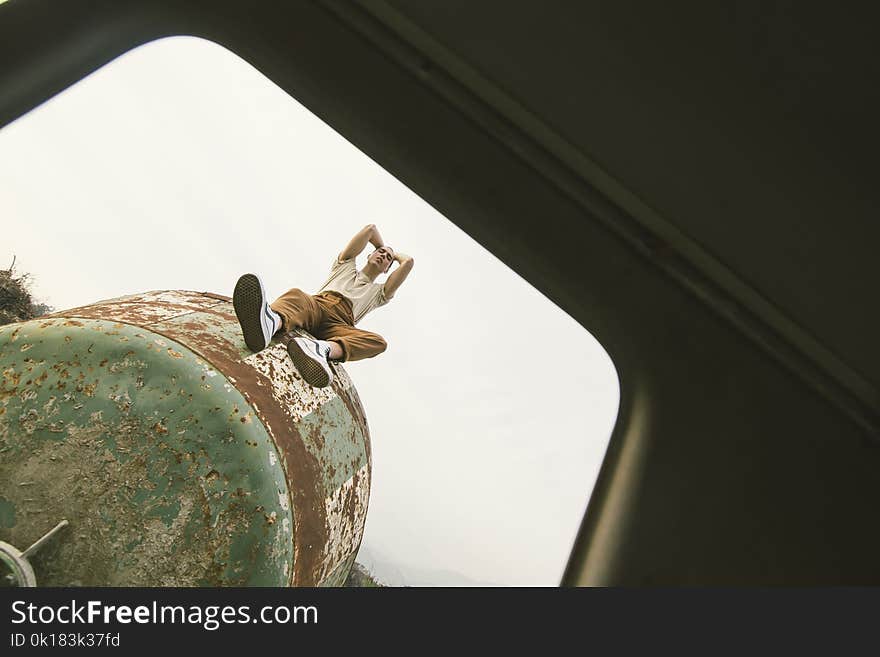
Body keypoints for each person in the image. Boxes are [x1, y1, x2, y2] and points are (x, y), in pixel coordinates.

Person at [232, 224, 414, 387]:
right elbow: (370, 230)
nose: (383, 255)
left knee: (378, 342)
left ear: (386, 270)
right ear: (369, 254)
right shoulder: (345, 266)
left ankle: (321, 350)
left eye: (388, 258)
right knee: (297, 295)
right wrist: (383, 247)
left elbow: (408, 262)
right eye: (380, 252)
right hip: (318, 306)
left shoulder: (378, 294)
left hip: (340, 325)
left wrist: (393, 254)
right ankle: (270, 323)